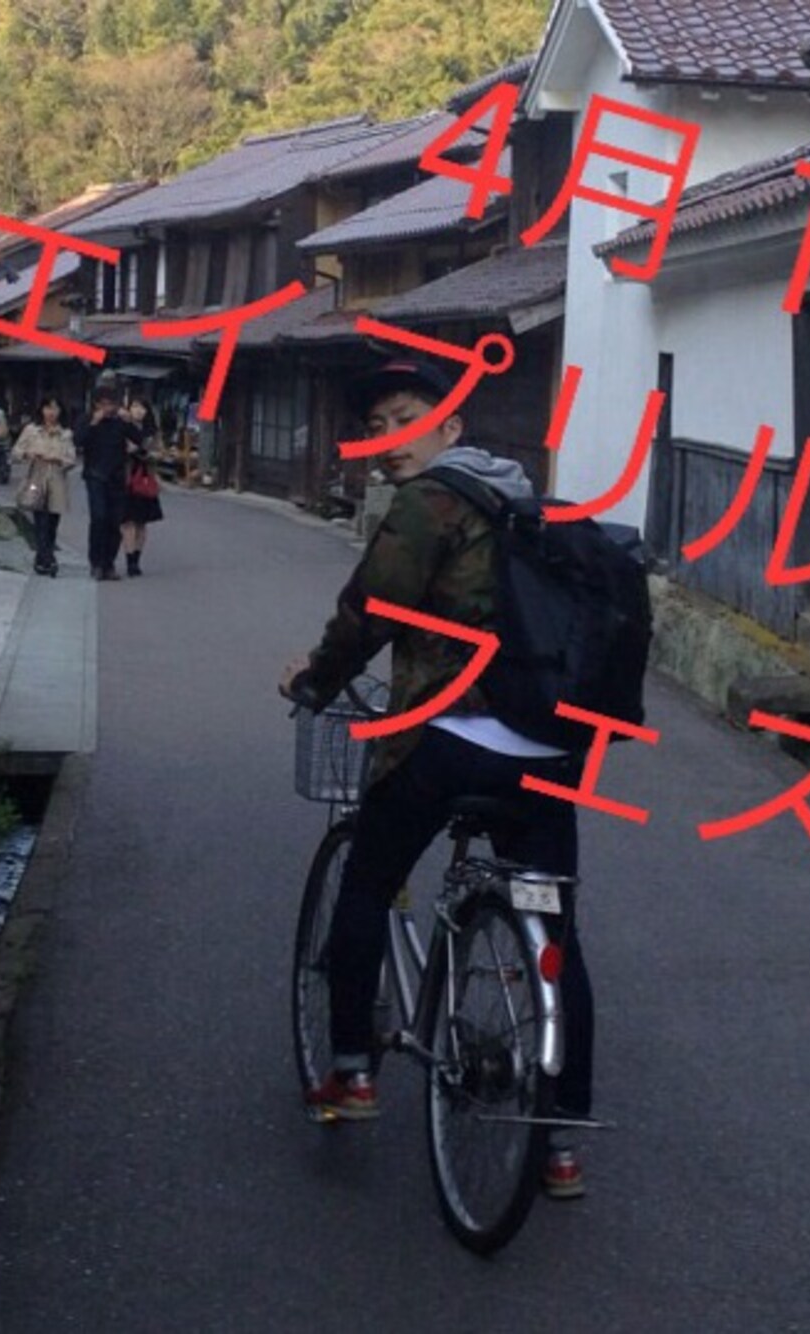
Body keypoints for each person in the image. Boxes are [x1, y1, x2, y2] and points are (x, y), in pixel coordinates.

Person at [280, 359, 595, 1199]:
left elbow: (373, 611)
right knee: (554, 932)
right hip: (551, 749)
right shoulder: (529, 504)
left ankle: (353, 1071)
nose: (388, 440)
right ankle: (561, 1142)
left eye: (406, 420)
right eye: (376, 426)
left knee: (366, 882)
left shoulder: (431, 501)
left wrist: (316, 679)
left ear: (450, 428)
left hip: (450, 740)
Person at [74, 384, 143, 581]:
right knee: (99, 518)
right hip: (95, 476)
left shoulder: (120, 421)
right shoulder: (88, 419)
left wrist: (130, 421)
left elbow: (138, 439)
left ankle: (109, 563)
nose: (108, 408)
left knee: (115, 522)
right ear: (96, 404)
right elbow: (78, 441)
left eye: (111, 404)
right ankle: (96, 563)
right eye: (103, 404)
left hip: (117, 476)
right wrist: (93, 423)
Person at [11, 396, 76, 576]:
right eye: (48, 408)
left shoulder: (65, 433)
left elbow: (71, 459)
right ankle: (47, 558)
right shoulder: (32, 430)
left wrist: (58, 459)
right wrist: (29, 454)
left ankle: (42, 558)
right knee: (40, 520)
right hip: (35, 480)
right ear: (41, 409)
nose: (51, 412)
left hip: (56, 481)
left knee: (52, 522)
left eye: (55, 408)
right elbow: (16, 452)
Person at [120, 396, 163, 577]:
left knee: (141, 523)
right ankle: (129, 560)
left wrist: (144, 452)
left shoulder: (152, 432)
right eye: (135, 406)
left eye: (142, 407)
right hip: (126, 478)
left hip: (145, 478)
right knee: (127, 522)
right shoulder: (122, 428)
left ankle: (136, 558)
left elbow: (159, 452)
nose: (138, 411)